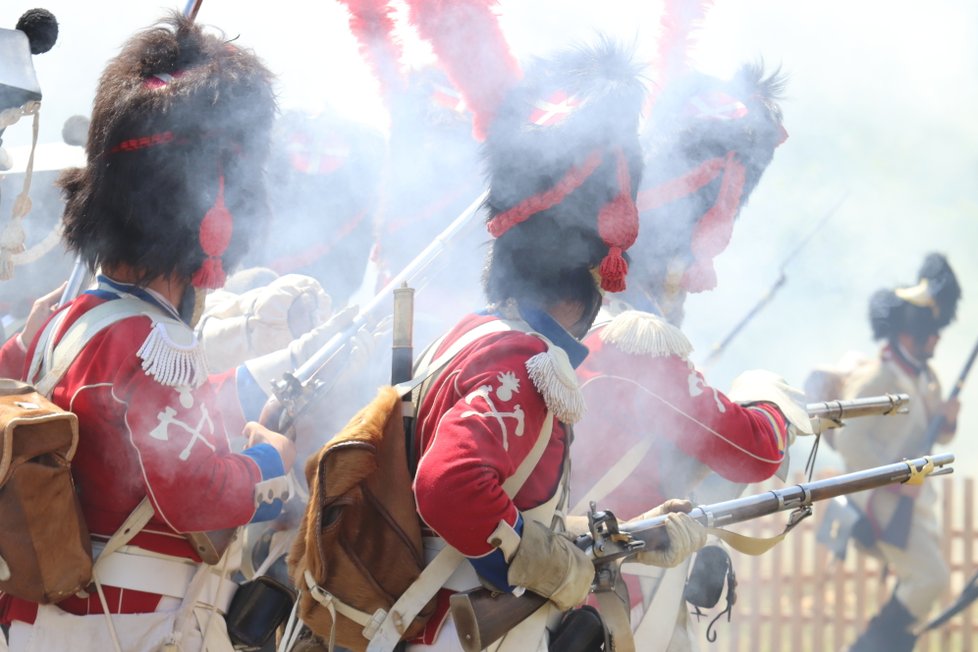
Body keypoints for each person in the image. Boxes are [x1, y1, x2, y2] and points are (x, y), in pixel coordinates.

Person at [0, 14, 298, 651]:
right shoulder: (150, 339)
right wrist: (270, 462)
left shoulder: (60, 321)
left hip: (48, 622)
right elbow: (193, 495)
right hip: (124, 624)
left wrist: (244, 388)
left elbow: (130, 423)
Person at [405, 42, 707, 652]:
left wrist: (629, 535)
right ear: (593, 271)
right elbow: (450, 486)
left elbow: (517, 509)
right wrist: (536, 561)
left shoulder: (476, 335)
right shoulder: (524, 360)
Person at [569, 63, 813, 651]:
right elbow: (751, 452)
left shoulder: (566, 313)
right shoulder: (636, 338)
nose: (685, 285)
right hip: (592, 598)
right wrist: (769, 400)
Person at [828, 253, 960, 652]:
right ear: (907, 333)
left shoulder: (925, 376)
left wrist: (948, 422)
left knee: (921, 580)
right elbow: (850, 443)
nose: (936, 337)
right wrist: (899, 478)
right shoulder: (879, 377)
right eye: (929, 330)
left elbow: (935, 436)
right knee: (931, 578)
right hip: (881, 498)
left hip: (911, 497)